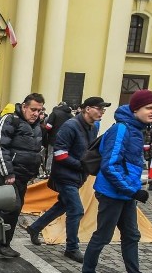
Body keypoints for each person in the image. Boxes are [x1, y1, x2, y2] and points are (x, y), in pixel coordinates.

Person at [78, 89, 152, 273]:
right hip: (112, 193)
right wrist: (133, 191)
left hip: (126, 193)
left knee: (131, 235)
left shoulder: (136, 129)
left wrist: (133, 190)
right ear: (135, 109)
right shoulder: (121, 129)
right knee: (103, 236)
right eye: (149, 108)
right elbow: (110, 166)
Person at [27, 96, 109, 262]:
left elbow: (89, 152)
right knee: (76, 210)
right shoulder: (70, 126)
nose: (102, 112)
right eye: (99, 108)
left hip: (77, 176)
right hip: (65, 176)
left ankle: (35, 228)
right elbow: (59, 154)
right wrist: (82, 165)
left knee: (62, 205)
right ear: (87, 109)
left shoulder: (92, 128)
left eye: (103, 109)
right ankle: (72, 248)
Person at [0, 93, 45, 257]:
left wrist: (34, 171)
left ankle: (4, 242)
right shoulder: (9, 119)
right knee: (9, 208)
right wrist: (8, 173)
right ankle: (1, 242)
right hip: (8, 175)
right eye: (33, 109)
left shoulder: (34, 125)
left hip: (22, 175)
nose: (36, 114)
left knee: (15, 209)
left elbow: (35, 150)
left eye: (39, 110)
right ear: (24, 106)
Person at [43, 101, 73, 177]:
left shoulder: (55, 113)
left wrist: (43, 133)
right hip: (66, 140)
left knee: (51, 155)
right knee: (62, 155)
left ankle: (48, 172)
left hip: (53, 138)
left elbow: (49, 126)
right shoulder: (71, 115)